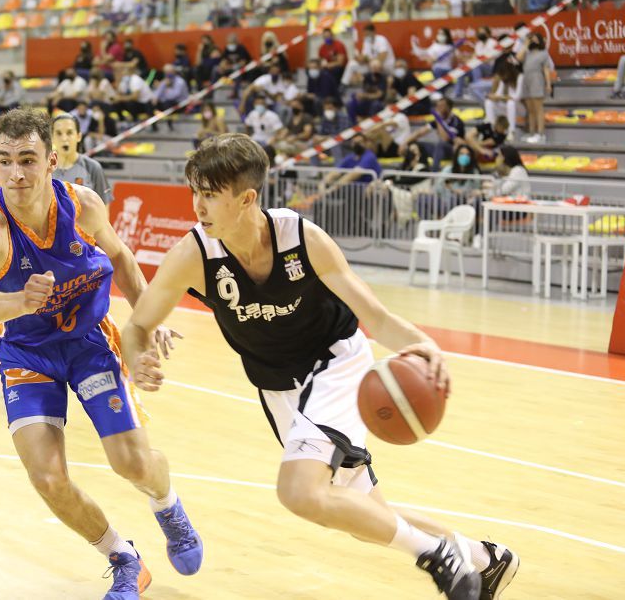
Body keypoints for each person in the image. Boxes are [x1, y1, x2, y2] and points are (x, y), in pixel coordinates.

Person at [120, 134, 517, 600]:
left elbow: (377, 318)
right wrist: (137, 359)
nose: (197, 206)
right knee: (361, 516)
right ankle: (484, 560)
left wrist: (424, 343)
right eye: (195, 192)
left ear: (246, 198)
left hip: (336, 366)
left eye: (209, 194)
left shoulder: (302, 239)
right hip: (278, 387)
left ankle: (436, 555)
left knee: (298, 491)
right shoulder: (194, 256)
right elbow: (138, 325)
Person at [0, 108, 203, 599]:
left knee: (130, 463)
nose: (15, 173)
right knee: (47, 477)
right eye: (4, 161)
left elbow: (123, 259)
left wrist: (148, 323)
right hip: (26, 353)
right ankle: (123, 556)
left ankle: (167, 504)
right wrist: (18, 300)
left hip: (90, 344)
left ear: (53, 160)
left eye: (27, 160)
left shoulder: (83, 203)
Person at [51, 113, 113, 209]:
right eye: (59, 133)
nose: (64, 138)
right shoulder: (43, 168)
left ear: (79, 136)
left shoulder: (92, 167)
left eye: (69, 133)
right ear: (52, 138)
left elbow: (104, 210)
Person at [521, 33, 553, 144]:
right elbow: (518, 58)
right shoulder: (527, 53)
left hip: (536, 79)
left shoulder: (543, 54)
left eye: (534, 38)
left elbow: (546, 70)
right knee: (530, 110)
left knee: (538, 108)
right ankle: (532, 132)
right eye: (531, 39)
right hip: (526, 80)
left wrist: (548, 84)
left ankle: (541, 134)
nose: (532, 40)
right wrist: (525, 45)